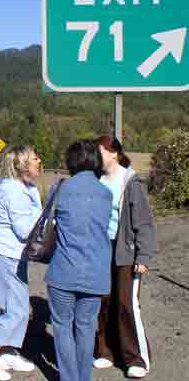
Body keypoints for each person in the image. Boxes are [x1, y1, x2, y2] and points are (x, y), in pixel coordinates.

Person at [0, 145, 42, 381]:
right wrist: (46, 218)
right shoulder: (14, 191)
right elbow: (24, 230)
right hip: (6, 253)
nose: (39, 161)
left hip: (10, 253)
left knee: (14, 306)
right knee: (17, 310)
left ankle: (9, 352)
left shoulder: (23, 187)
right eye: (35, 158)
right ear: (22, 164)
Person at [45, 140, 113, 381]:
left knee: (63, 327)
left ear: (71, 161)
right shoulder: (106, 193)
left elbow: (48, 223)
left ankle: (68, 377)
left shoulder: (61, 187)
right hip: (96, 273)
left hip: (63, 270)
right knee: (86, 329)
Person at [93, 136, 157, 379]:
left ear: (113, 153)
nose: (96, 157)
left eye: (100, 152)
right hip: (101, 249)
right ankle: (105, 351)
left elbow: (143, 222)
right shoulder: (97, 179)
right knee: (103, 301)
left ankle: (135, 357)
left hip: (126, 251)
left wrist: (144, 255)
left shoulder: (130, 181)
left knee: (125, 303)